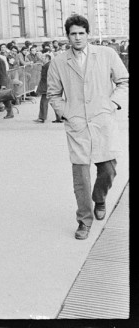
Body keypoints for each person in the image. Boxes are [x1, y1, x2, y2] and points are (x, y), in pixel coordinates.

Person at [47, 15, 129, 240]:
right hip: (77, 126)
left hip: (103, 122)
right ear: (67, 36)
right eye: (73, 33)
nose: (77, 37)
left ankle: (100, 198)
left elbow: (123, 81)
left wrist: (112, 103)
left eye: (81, 33)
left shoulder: (106, 54)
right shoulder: (58, 61)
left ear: (88, 34)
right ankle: (84, 221)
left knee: (109, 170)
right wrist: (66, 113)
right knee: (81, 178)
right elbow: (53, 93)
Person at [33, 53, 62, 124]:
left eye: (43, 57)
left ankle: (42, 117)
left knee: (44, 102)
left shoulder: (48, 65)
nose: (41, 58)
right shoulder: (48, 65)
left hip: (47, 86)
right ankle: (59, 117)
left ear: (47, 58)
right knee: (53, 102)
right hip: (48, 86)